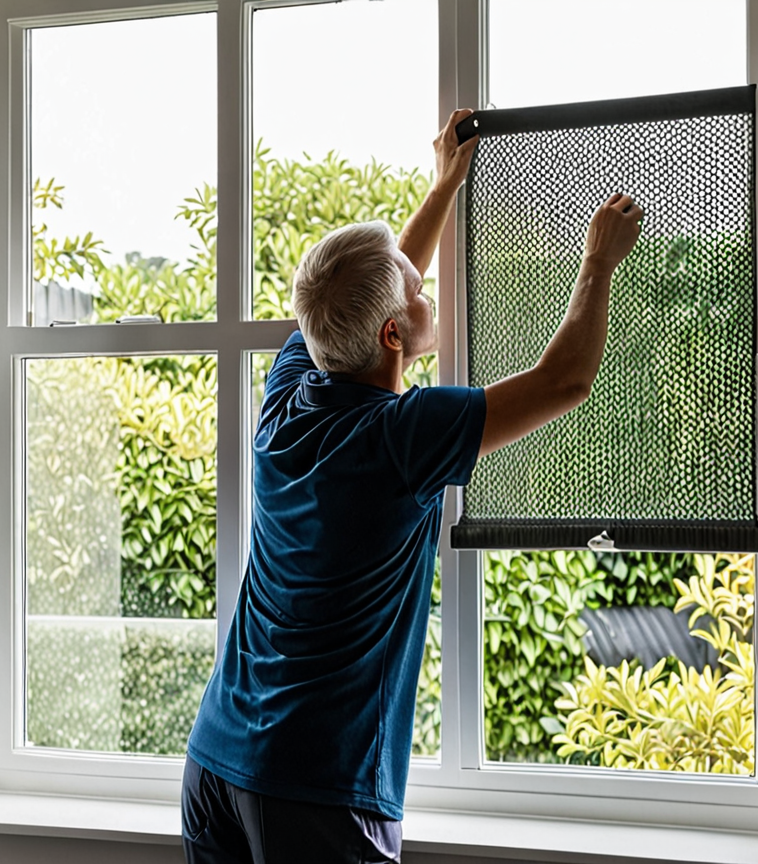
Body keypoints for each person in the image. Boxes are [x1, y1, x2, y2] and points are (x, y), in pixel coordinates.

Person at [182, 108, 646, 864]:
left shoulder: (292, 388)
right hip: (317, 787)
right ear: (394, 336)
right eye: (416, 292)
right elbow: (566, 381)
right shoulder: (401, 437)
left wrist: (444, 187)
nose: (425, 286)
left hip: (216, 765)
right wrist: (598, 262)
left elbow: (372, 288)